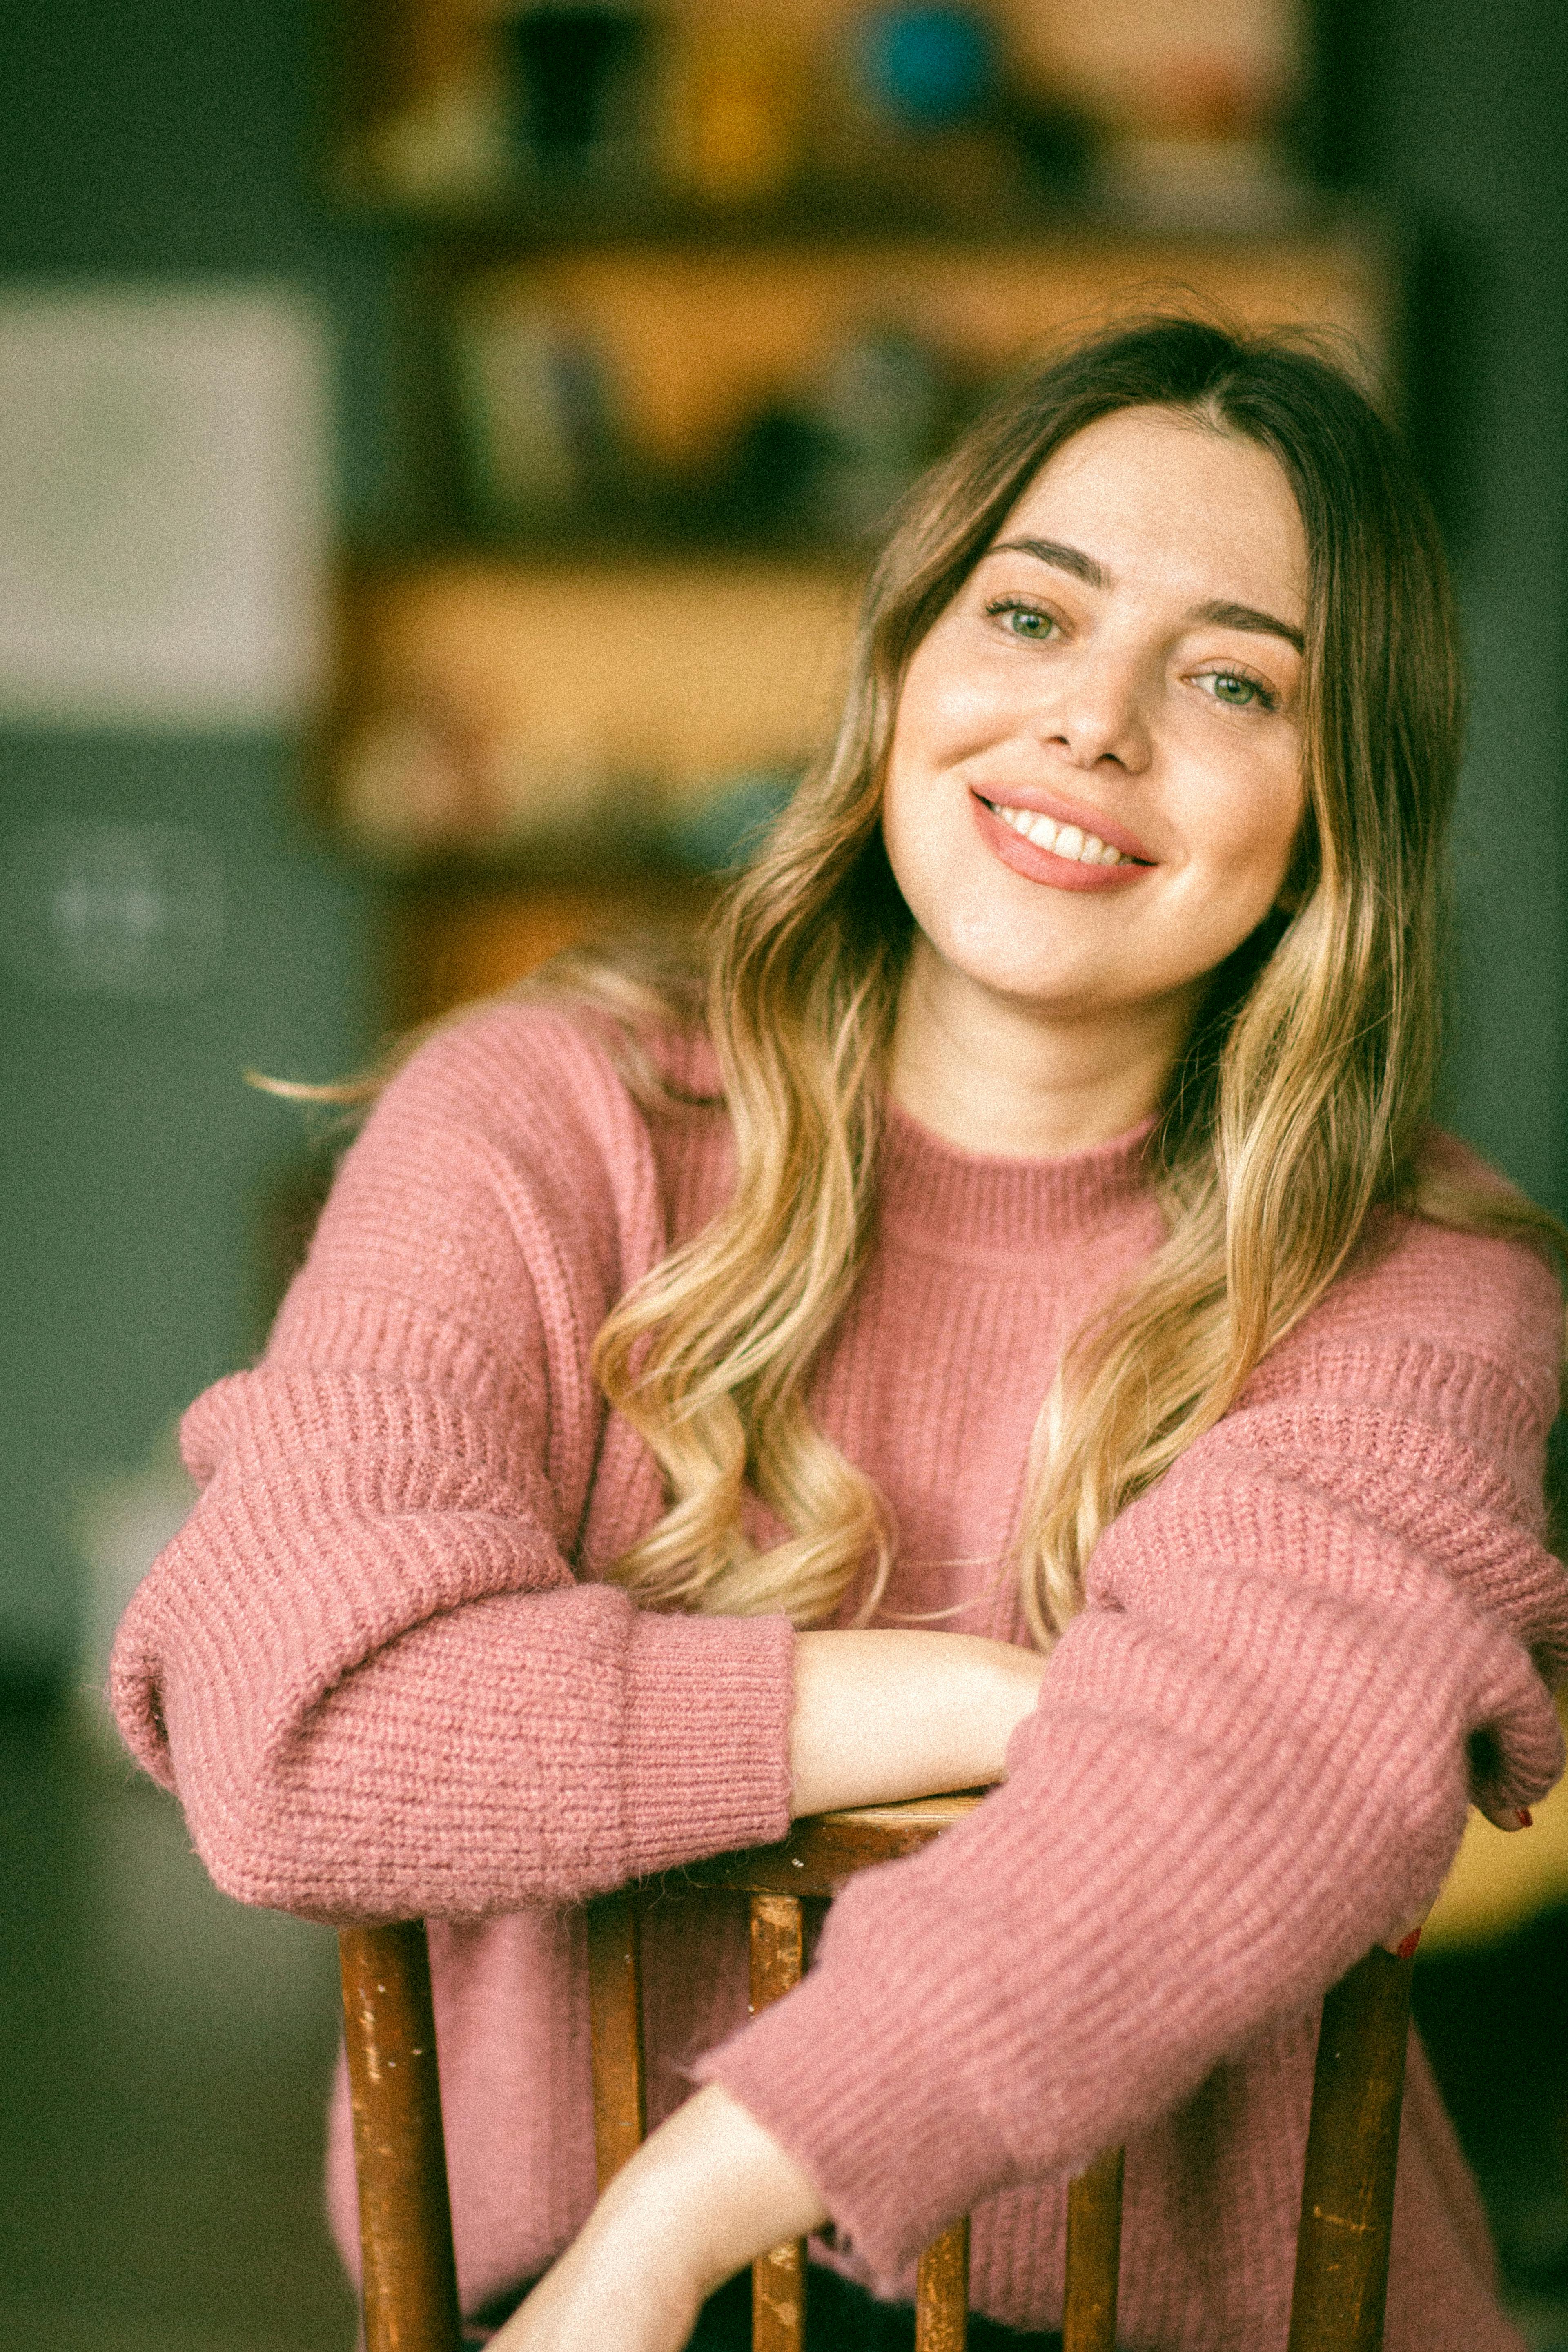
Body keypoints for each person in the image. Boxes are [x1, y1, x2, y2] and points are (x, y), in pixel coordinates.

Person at [112, 317, 1568, 2352]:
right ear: (903, 671)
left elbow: (1270, 1768)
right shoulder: (546, 1119)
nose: (1094, 725)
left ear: (1344, 809)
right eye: (1032, 615)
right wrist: (1007, 1703)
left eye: (1233, 679)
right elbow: (299, 1727)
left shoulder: (1425, 1279)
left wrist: (681, 2216)